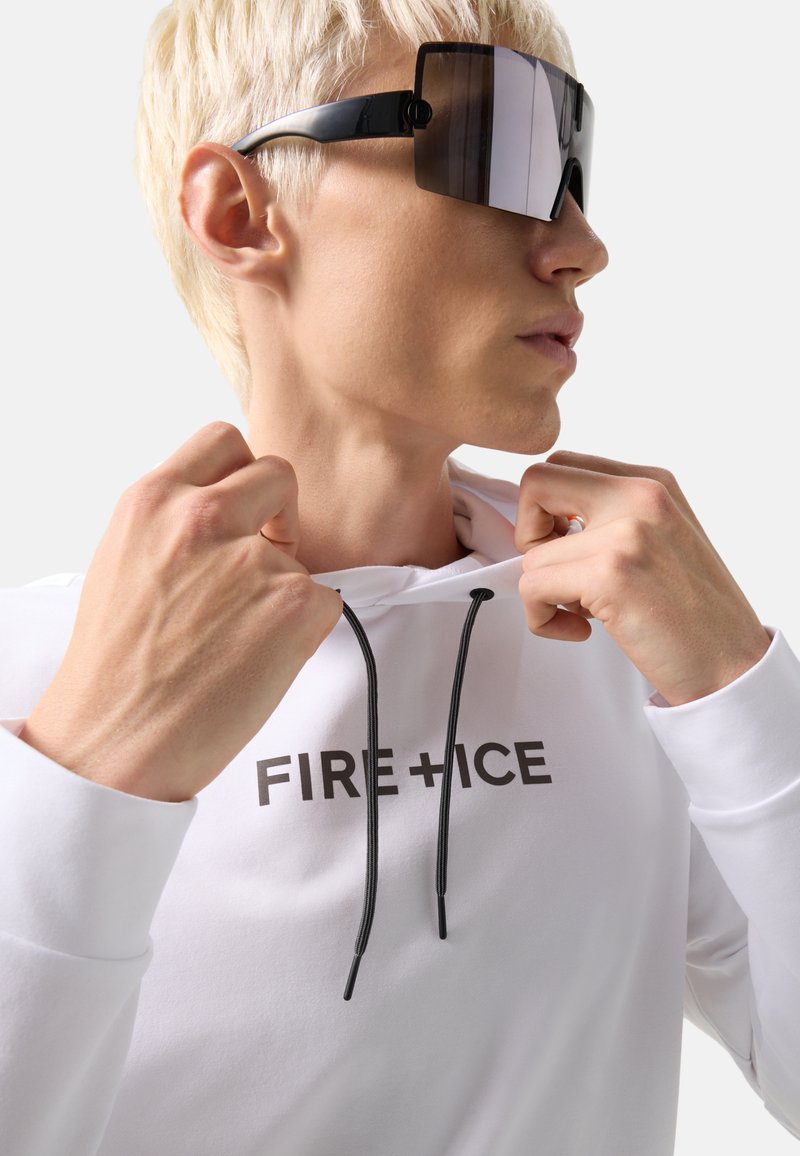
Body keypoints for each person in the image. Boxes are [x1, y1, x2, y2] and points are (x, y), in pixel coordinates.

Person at [1, 0, 798, 1152]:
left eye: (569, 167)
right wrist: (93, 769)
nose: (580, 244)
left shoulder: (631, 655)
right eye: (495, 149)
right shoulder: (32, 678)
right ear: (239, 212)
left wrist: (739, 685)